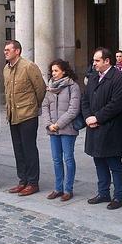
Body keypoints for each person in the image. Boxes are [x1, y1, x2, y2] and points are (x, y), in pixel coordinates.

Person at [81, 47, 122, 210]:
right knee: (98, 161)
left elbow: (116, 104)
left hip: (111, 129)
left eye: (97, 60)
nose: (94, 64)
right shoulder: (94, 77)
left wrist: (98, 117)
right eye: (94, 60)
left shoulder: (119, 79)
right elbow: (85, 99)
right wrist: (88, 117)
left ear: (107, 61)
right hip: (93, 127)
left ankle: (119, 196)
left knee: (114, 163)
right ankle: (103, 192)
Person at [3, 40, 46, 196]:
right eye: (4, 50)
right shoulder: (6, 69)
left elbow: (40, 89)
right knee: (18, 149)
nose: (5, 52)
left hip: (28, 115)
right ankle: (23, 180)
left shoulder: (28, 66)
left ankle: (33, 182)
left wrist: (33, 106)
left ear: (17, 51)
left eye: (8, 49)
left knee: (29, 149)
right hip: (13, 115)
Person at [41, 59, 81, 202]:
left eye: (56, 70)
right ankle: (58, 188)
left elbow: (73, 109)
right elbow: (44, 107)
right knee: (56, 159)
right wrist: (48, 124)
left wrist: (58, 124)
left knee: (68, 159)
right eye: (52, 71)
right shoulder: (50, 88)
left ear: (64, 71)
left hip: (67, 129)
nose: (54, 73)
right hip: (52, 130)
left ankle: (68, 189)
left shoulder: (73, 86)